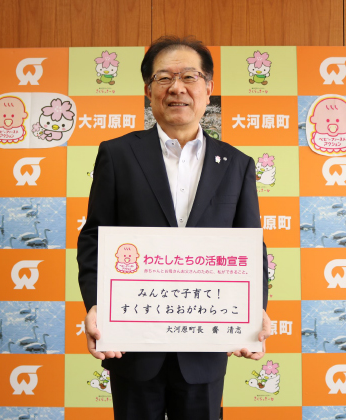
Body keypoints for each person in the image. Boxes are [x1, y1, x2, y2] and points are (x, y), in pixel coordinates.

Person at [77, 35, 271, 420]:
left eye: (189, 77)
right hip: (131, 342)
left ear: (208, 89)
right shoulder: (118, 154)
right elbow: (95, 237)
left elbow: (251, 247)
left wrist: (253, 312)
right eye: (164, 78)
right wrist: (97, 305)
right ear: (148, 90)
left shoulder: (237, 165)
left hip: (205, 346)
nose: (177, 87)